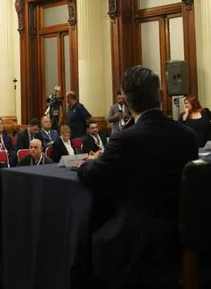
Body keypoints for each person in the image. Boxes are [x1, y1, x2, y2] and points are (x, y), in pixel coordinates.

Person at [77, 66, 198, 285]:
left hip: (135, 241)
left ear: (126, 101)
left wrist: (89, 163)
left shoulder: (125, 139)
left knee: (82, 242)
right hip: (179, 234)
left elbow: (92, 176)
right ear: (160, 95)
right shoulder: (188, 135)